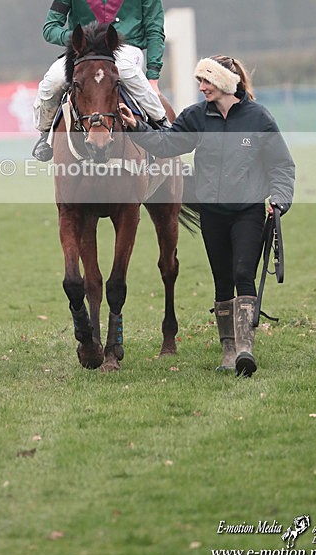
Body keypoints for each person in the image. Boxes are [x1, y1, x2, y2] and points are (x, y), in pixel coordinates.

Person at [119, 55, 295, 377]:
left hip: (248, 211)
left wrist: (280, 199)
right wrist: (136, 127)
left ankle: (245, 350)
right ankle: (229, 352)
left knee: (244, 272)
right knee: (222, 281)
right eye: (200, 81)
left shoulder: (258, 119)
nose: (201, 87)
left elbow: (281, 164)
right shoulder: (197, 117)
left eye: (207, 81)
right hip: (212, 213)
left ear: (226, 83)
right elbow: (167, 142)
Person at [32, 0, 169, 161]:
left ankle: (161, 124)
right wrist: (76, 41)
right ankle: (44, 134)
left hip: (125, 50)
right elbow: (49, 28)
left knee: (126, 71)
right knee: (52, 81)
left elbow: (154, 28)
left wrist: (153, 75)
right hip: (82, 53)